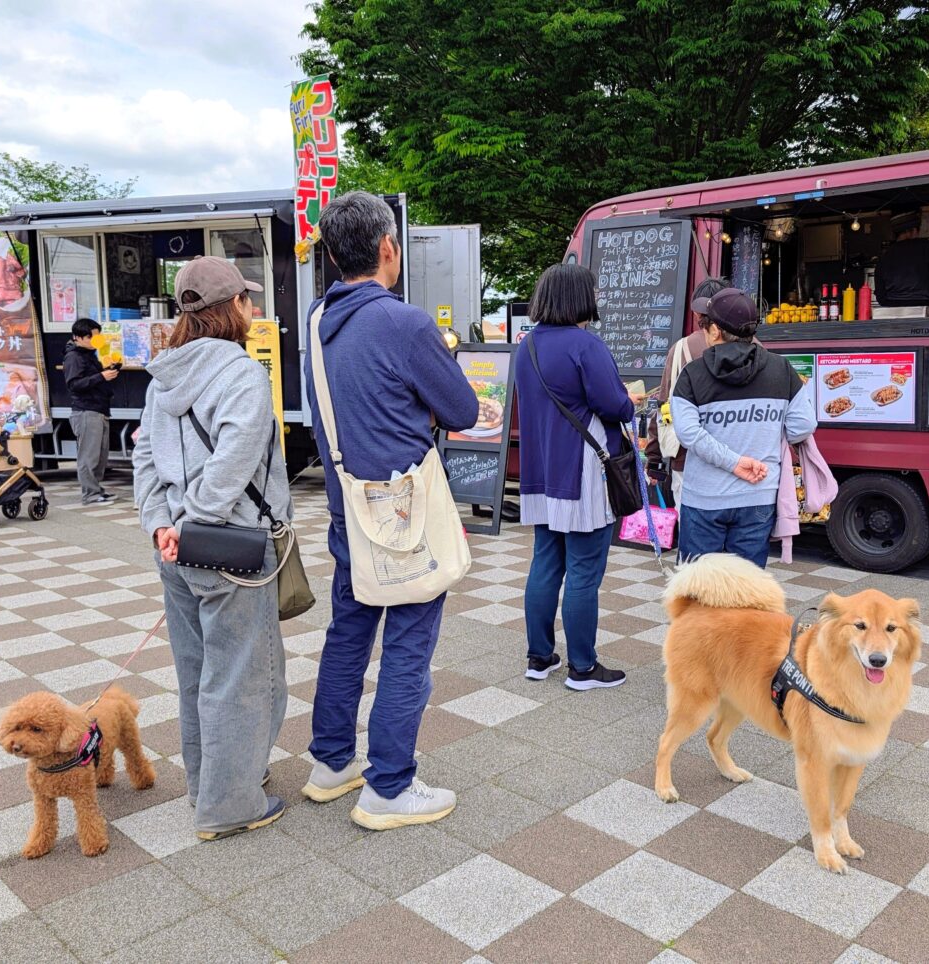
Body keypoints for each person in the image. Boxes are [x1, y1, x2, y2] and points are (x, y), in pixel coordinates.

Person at [302, 192, 479, 829]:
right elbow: (461, 411)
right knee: (408, 643)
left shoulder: (320, 325)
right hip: (404, 513)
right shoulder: (404, 323)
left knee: (347, 633)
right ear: (387, 248)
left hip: (348, 509)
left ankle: (330, 763)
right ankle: (389, 787)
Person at [132, 256, 293, 840]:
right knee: (243, 675)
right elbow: (232, 463)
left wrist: (163, 525)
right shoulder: (242, 375)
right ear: (233, 309)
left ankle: (210, 785)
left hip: (173, 547)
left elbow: (145, 461)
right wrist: (197, 521)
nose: (253, 310)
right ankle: (230, 804)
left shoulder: (162, 377)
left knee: (197, 670)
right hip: (229, 544)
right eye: (248, 301)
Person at [516, 263, 637, 690]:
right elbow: (615, 405)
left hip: (541, 472)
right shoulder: (586, 345)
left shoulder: (526, 346)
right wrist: (632, 401)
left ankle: (539, 656)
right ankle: (582, 668)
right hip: (583, 470)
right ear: (578, 297)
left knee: (545, 562)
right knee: (584, 569)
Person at [671, 287, 816, 568]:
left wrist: (734, 462)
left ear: (714, 330)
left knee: (698, 591)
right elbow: (803, 425)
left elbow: (688, 433)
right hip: (759, 493)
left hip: (704, 498)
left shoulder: (692, 374)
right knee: (747, 590)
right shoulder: (782, 370)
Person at [645, 277, 728, 507]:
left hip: (689, 460)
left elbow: (664, 405)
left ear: (697, 313)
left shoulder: (681, 349)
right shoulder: (754, 347)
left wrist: (653, 459)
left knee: (694, 536)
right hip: (740, 461)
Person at [63, 318, 118, 504]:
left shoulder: (90, 354)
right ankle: (90, 494)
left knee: (100, 456)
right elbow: (74, 385)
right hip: (86, 410)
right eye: (91, 337)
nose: (96, 340)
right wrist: (101, 376)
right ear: (78, 337)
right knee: (89, 456)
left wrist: (108, 371)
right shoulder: (74, 357)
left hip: (99, 408)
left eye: (97, 336)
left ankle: (97, 490)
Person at [874, 210, 929, 308]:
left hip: (891, 308)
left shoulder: (885, 256)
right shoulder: (923, 246)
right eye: (917, 230)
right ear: (911, 231)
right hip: (920, 306)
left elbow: (880, 295)